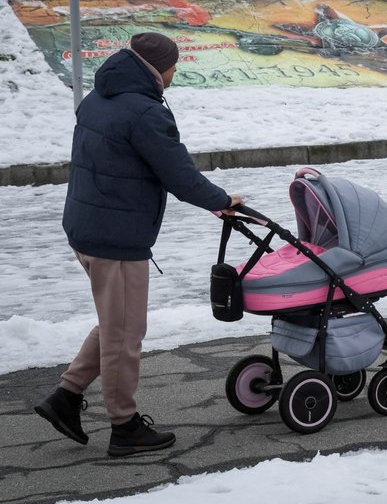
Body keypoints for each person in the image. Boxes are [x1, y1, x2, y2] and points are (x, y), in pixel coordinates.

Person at [35, 32, 244, 457]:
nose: (174, 74)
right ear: (156, 68)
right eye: (173, 66)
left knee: (118, 323)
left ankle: (66, 396)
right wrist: (221, 202)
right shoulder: (144, 111)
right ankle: (124, 425)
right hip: (116, 237)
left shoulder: (99, 97)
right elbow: (178, 172)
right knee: (125, 334)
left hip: (87, 225)